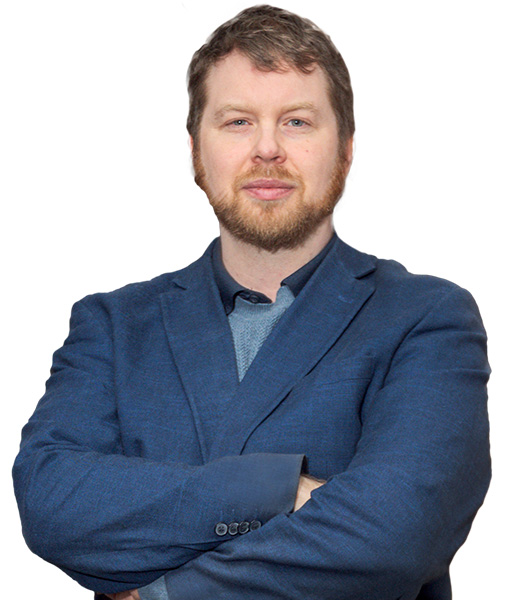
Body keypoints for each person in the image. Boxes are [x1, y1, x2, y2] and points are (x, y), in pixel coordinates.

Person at [13, 5, 491, 600]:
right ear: (196, 151)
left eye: (297, 122)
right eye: (238, 122)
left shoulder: (427, 318)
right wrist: (277, 490)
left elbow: (398, 535)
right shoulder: (111, 327)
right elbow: (51, 503)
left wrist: (164, 594)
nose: (267, 148)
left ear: (345, 150)